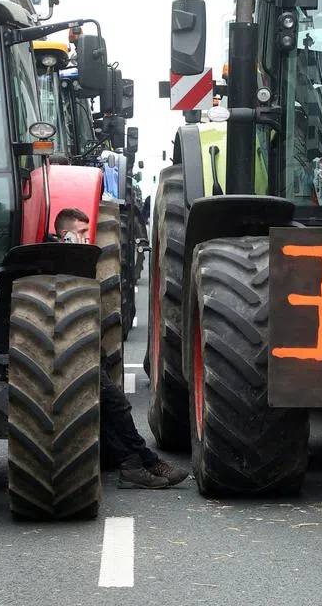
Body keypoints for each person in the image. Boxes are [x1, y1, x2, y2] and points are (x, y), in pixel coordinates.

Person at [53, 208, 189, 489]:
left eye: (86, 231)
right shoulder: (55, 263)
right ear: (63, 234)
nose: (86, 237)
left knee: (113, 405)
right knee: (116, 405)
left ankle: (138, 462)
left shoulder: (81, 263)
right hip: (66, 354)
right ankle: (142, 461)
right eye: (80, 232)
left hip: (87, 350)